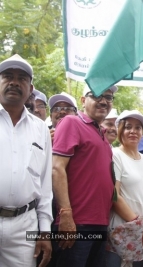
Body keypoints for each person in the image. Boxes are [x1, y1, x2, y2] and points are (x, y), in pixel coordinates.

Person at [52, 84, 118, 267]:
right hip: (76, 224)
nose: (104, 101)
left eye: (109, 97)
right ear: (83, 100)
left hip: (100, 224)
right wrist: (65, 214)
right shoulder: (71, 122)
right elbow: (57, 168)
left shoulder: (103, 136)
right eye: (97, 95)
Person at [0, 54, 52, 266]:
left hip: (25, 226)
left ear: (30, 89)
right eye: (7, 76)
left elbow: (45, 185)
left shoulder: (40, 129)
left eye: (22, 78)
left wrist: (45, 231)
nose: (14, 82)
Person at [106, 110, 143, 267]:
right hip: (124, 229)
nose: (133, 131)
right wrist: (138, 223)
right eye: (128, 126)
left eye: (138, 127)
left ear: (142, 133)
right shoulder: (115, 155)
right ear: (120, 130)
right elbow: (114, 194)